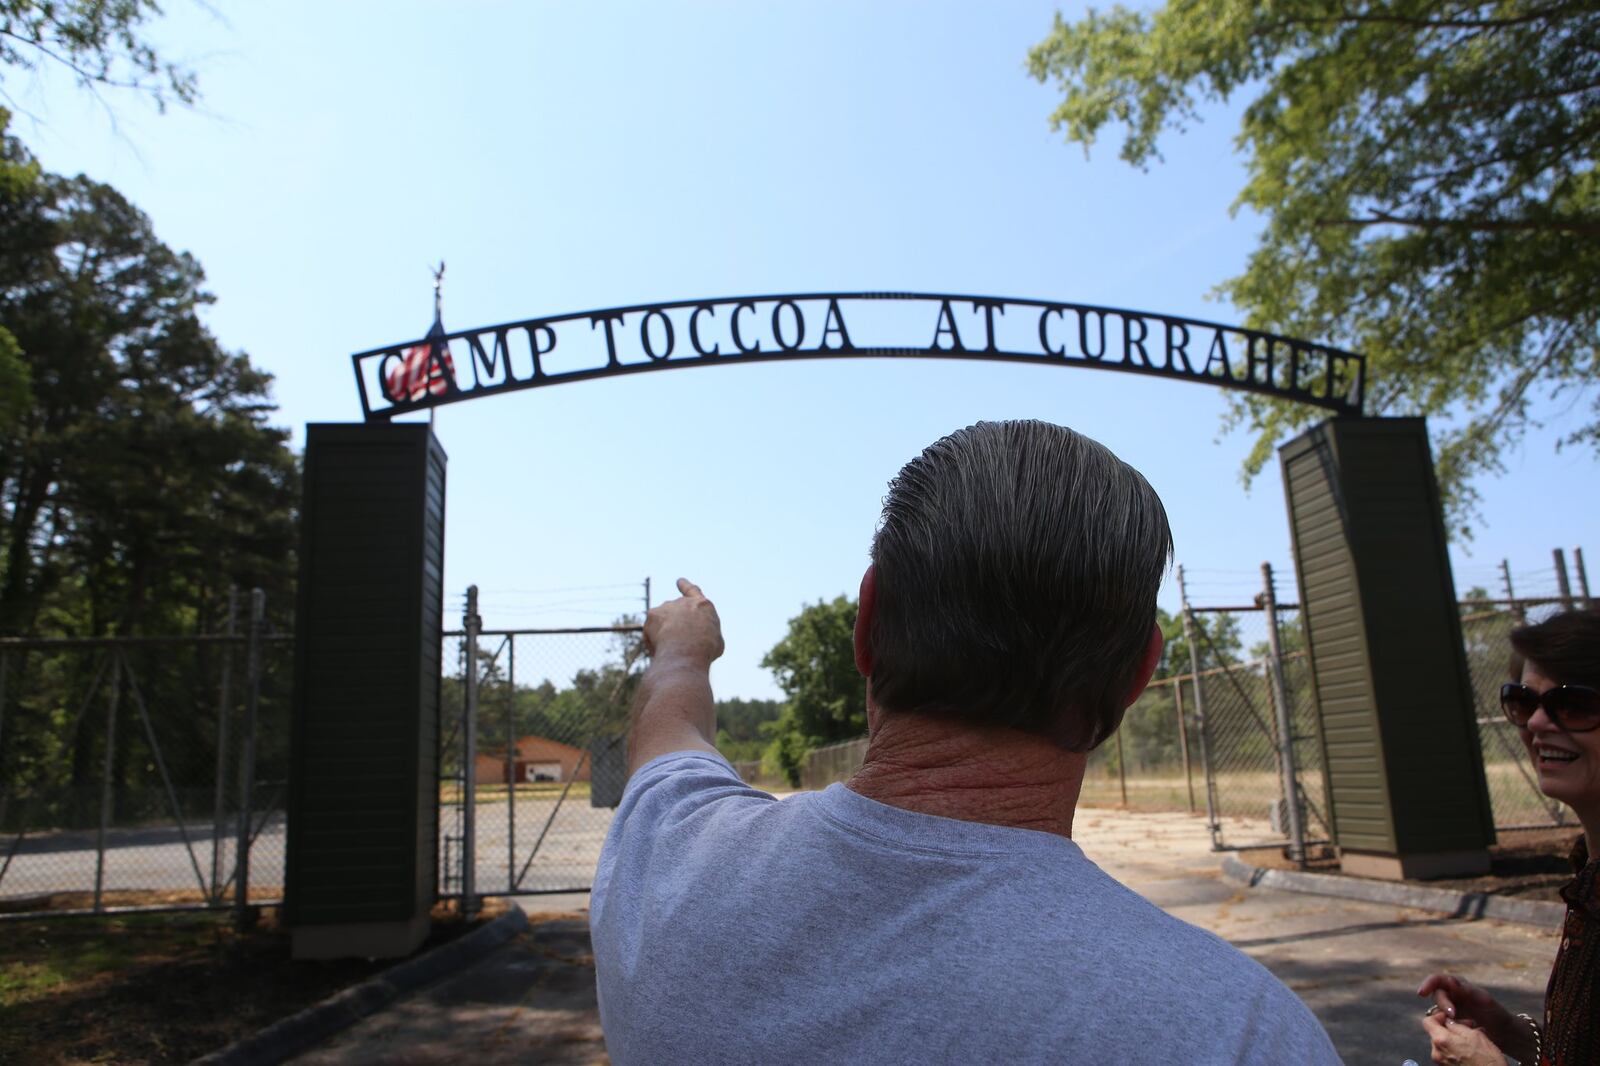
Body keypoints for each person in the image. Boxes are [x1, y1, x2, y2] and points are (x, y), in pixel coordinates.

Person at [590, 420, 1340, 1065]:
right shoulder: (1243, 1032)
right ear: (1140, 670)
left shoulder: (672, 858)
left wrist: (684, 647)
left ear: (868, 622)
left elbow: (669, 723)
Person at [1418, 608, 1600, 1066]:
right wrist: (1515, 1036)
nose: (1537, 723)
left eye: (1573, 705)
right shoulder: (1588, 879)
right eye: (1523, 702)